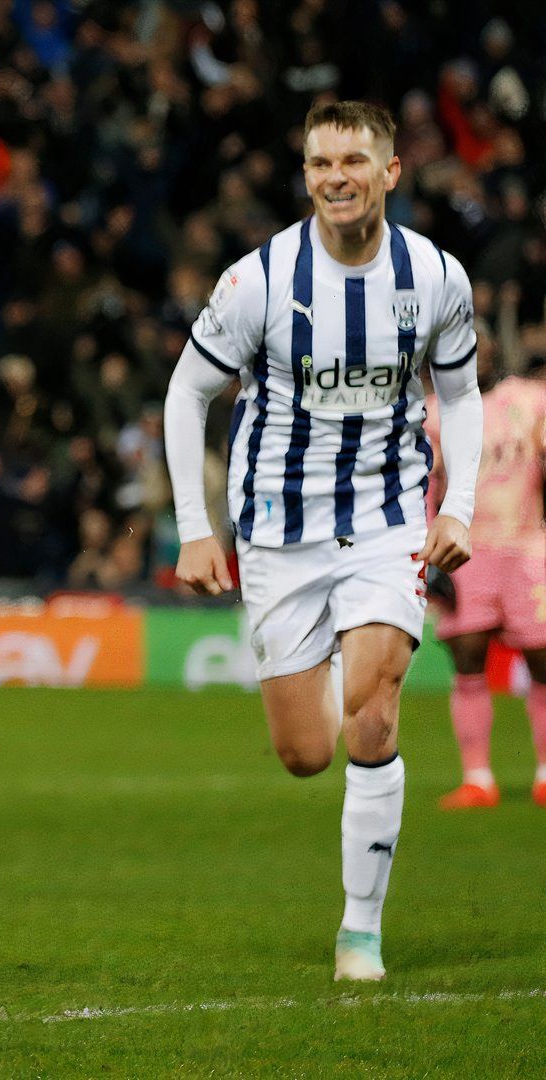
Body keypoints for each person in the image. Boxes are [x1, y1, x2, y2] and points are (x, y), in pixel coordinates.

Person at [164, 101, 482, 982]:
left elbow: (460, 394)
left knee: (373, 720)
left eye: (352, 160)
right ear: (304, 176)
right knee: (307, 754)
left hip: (386, 519)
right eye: (317, 164)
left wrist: (459, 508)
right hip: (277, 532)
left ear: (390, 172)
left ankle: (360, 935)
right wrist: (199, 530)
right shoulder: (260, 280)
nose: (333, 176)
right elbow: (187, 393)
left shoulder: (434, 276)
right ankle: (347, 652)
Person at [423, 331, 546, 809]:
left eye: (482, 349)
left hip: (527, 544)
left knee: (542, 659)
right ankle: (478, 778)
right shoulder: (433, 414)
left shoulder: (528, 401)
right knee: (469, 657)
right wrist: (427, 555)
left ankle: (543, 774)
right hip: (464, 549)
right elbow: (423, 486)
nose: (473, 358)